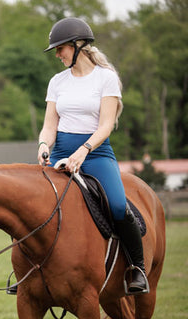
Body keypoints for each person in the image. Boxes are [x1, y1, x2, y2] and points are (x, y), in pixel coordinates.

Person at [38, 17, 148, 294]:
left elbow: (106, 126)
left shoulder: (106, 78)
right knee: (34, 207)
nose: (58, 55)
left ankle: (137, 268)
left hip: (96, 153)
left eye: (60, 49)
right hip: (60, 151)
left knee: (118, 206)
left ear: (78, 46)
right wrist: (43, 146)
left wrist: (83, 151)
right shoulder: (57, 81)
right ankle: (29, 273)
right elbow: (50, 124)